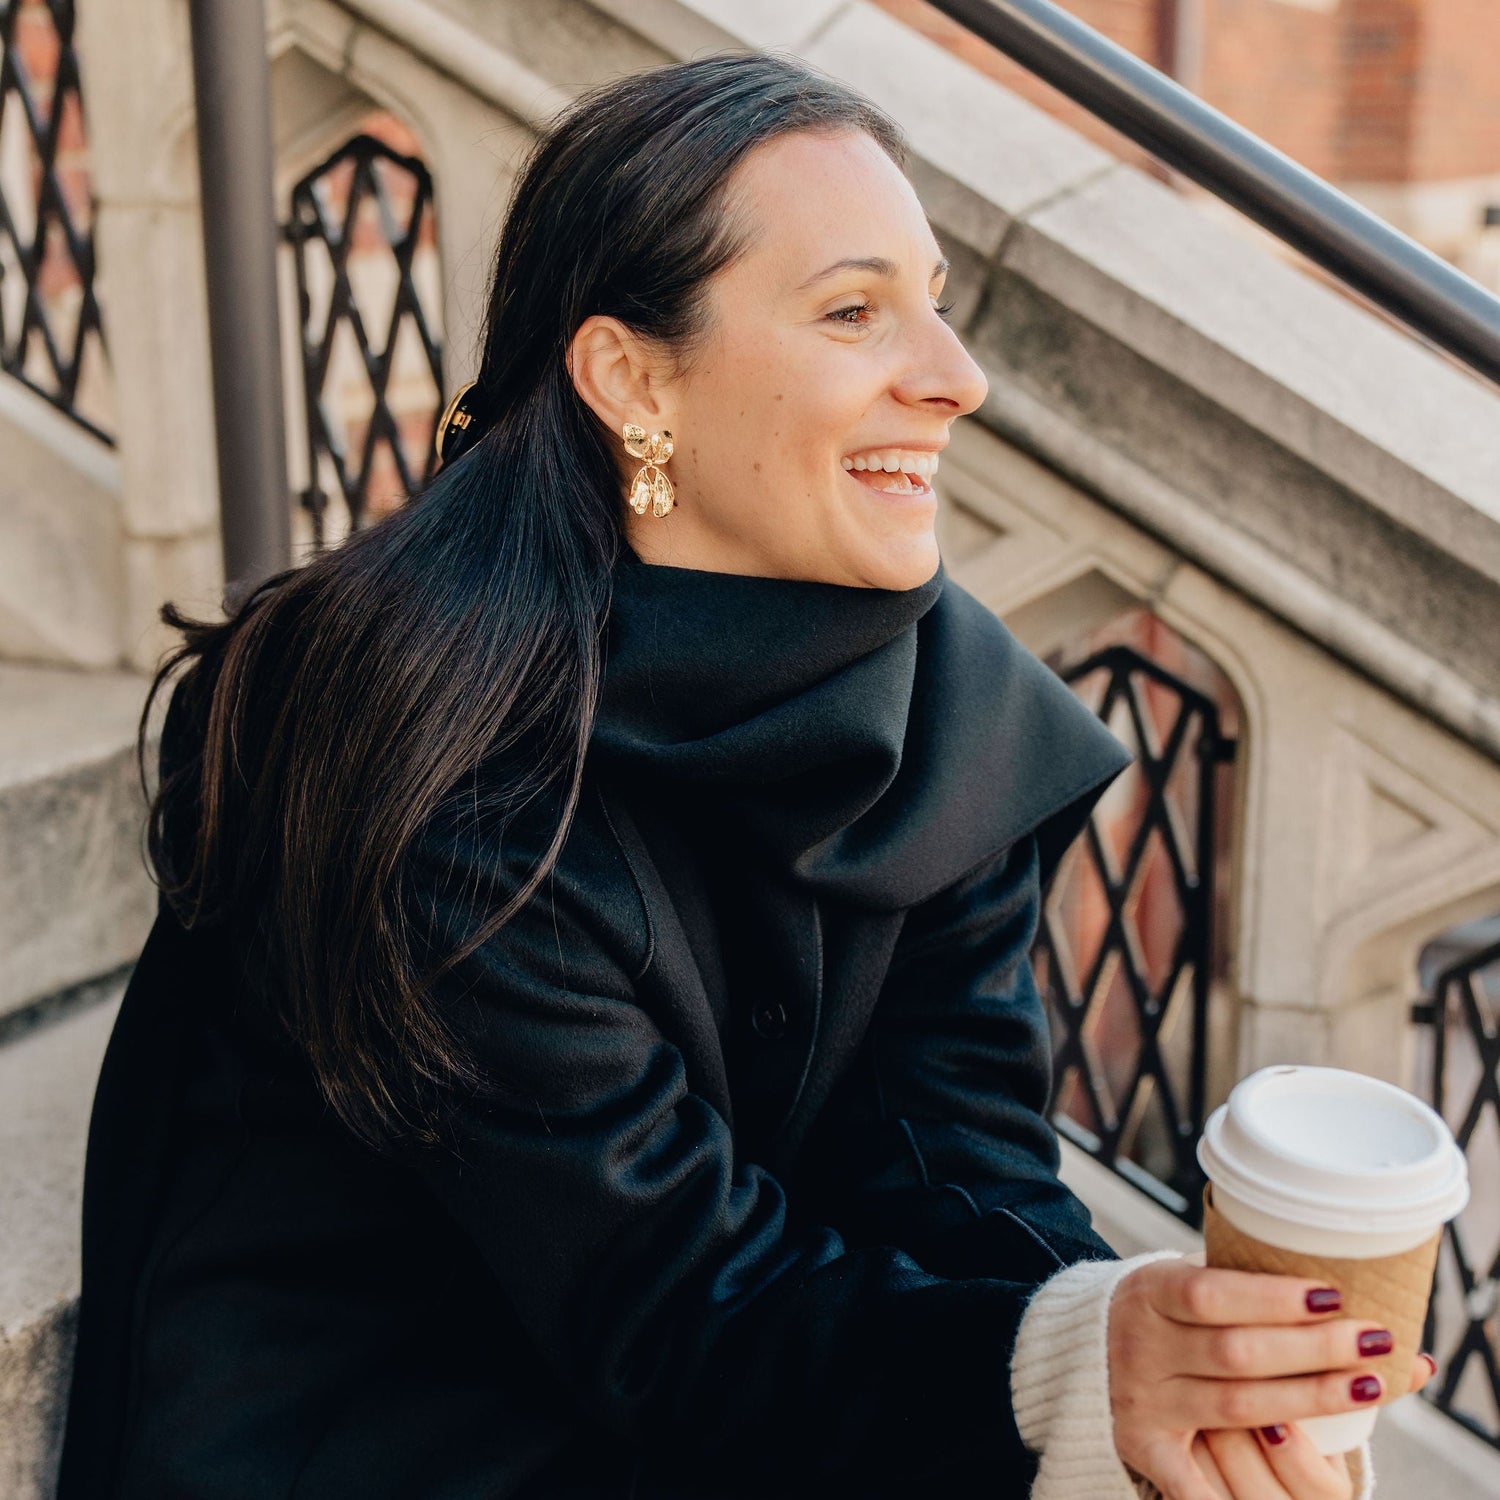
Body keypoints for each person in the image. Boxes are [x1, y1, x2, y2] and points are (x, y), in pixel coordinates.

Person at [56, 51, 1433, 1500]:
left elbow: (953, 1157)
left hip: (735, 1374)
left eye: (936, 304)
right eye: (854, 312)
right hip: (400, 1420)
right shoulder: (432, 755)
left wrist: (1149, 1371)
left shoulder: (939, 697)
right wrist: (1059, 1382)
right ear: (633, 378)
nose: (957, 380)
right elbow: (676, 1307)